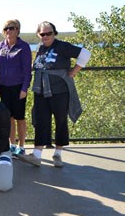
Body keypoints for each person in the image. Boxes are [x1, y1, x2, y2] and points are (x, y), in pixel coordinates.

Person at [19, 21, 91, 168]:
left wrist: (74, 71)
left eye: (49, 33)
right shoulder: (40, 47)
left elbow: (85, 54)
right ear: (38, 35)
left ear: (54, 33)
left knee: (61, 121)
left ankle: (58, 154)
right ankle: (37, 155)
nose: (45, 36)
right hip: (41, 91)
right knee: (41, 121)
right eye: (42, 34)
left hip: (60, 91)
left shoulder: (62, 46)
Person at [0, 19, 32, 158]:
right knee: (8, 118)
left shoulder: (23, 46)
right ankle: (11, 145)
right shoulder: (1, 46)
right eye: (6, 29)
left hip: (18, 88)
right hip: (4, 88)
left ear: (17, 30)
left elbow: (27, 70)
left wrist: (24, 88)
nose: (9, 31)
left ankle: (21, 146)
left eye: (12, 28)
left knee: (20, 118)